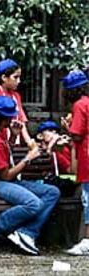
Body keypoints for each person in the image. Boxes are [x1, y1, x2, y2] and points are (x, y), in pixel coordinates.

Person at [0, 96, 60, 255]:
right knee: (33, 204)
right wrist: (28, 158)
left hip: (5, 180)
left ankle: (27, 233)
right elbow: (5, 175)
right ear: (4, 119)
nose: (14, 119)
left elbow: (6, 158)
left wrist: (14, 136)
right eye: (11, 117)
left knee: (52, 192)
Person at [60, 69, 89, 255]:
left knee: (88, 198)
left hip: (87, 153)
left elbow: (77, 133)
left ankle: (87, 240)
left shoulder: (79, 105)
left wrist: (67, 128)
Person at [0, 59, 32, 146]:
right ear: (4, 78)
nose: (19, 81)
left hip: (15, 141)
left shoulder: (16, 95)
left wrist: (29, 142)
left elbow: (22, 120)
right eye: (15, 77)